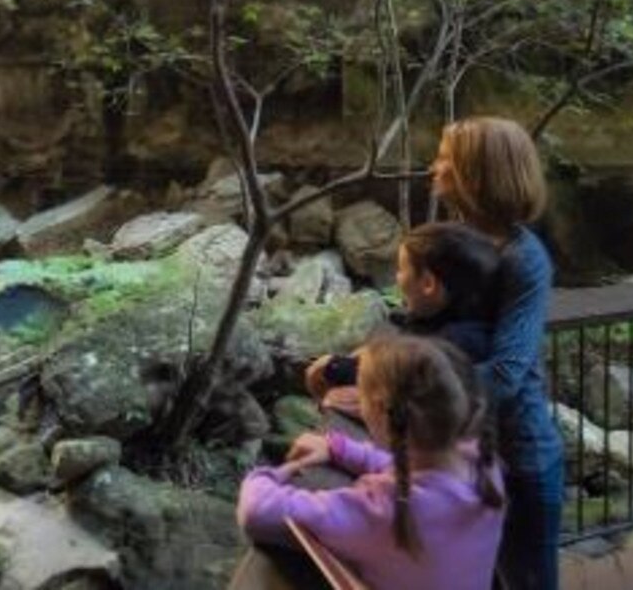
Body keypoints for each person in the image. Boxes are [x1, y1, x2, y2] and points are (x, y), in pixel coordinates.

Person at [237, 335, 505, 590]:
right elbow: (416, 470)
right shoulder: (482, 463)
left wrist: (280, 471)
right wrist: (339, 448)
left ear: (379, 410)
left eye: (360, 396)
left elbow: (257, 510)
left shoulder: (383, 510)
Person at [431, 116, 564, 590]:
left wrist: (417, 396)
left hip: (521, 455)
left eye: (445, 158)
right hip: (465, 452)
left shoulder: (524, 259)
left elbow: (507, 372)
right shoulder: (455, 242)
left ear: (477, 171)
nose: (435, 168)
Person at [304, 221, 502, 405]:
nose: (397, 278)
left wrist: (335, 367)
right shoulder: (453, 315)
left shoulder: (458, 342)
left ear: (428, 284)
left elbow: (400, 376)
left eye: (400, 270)